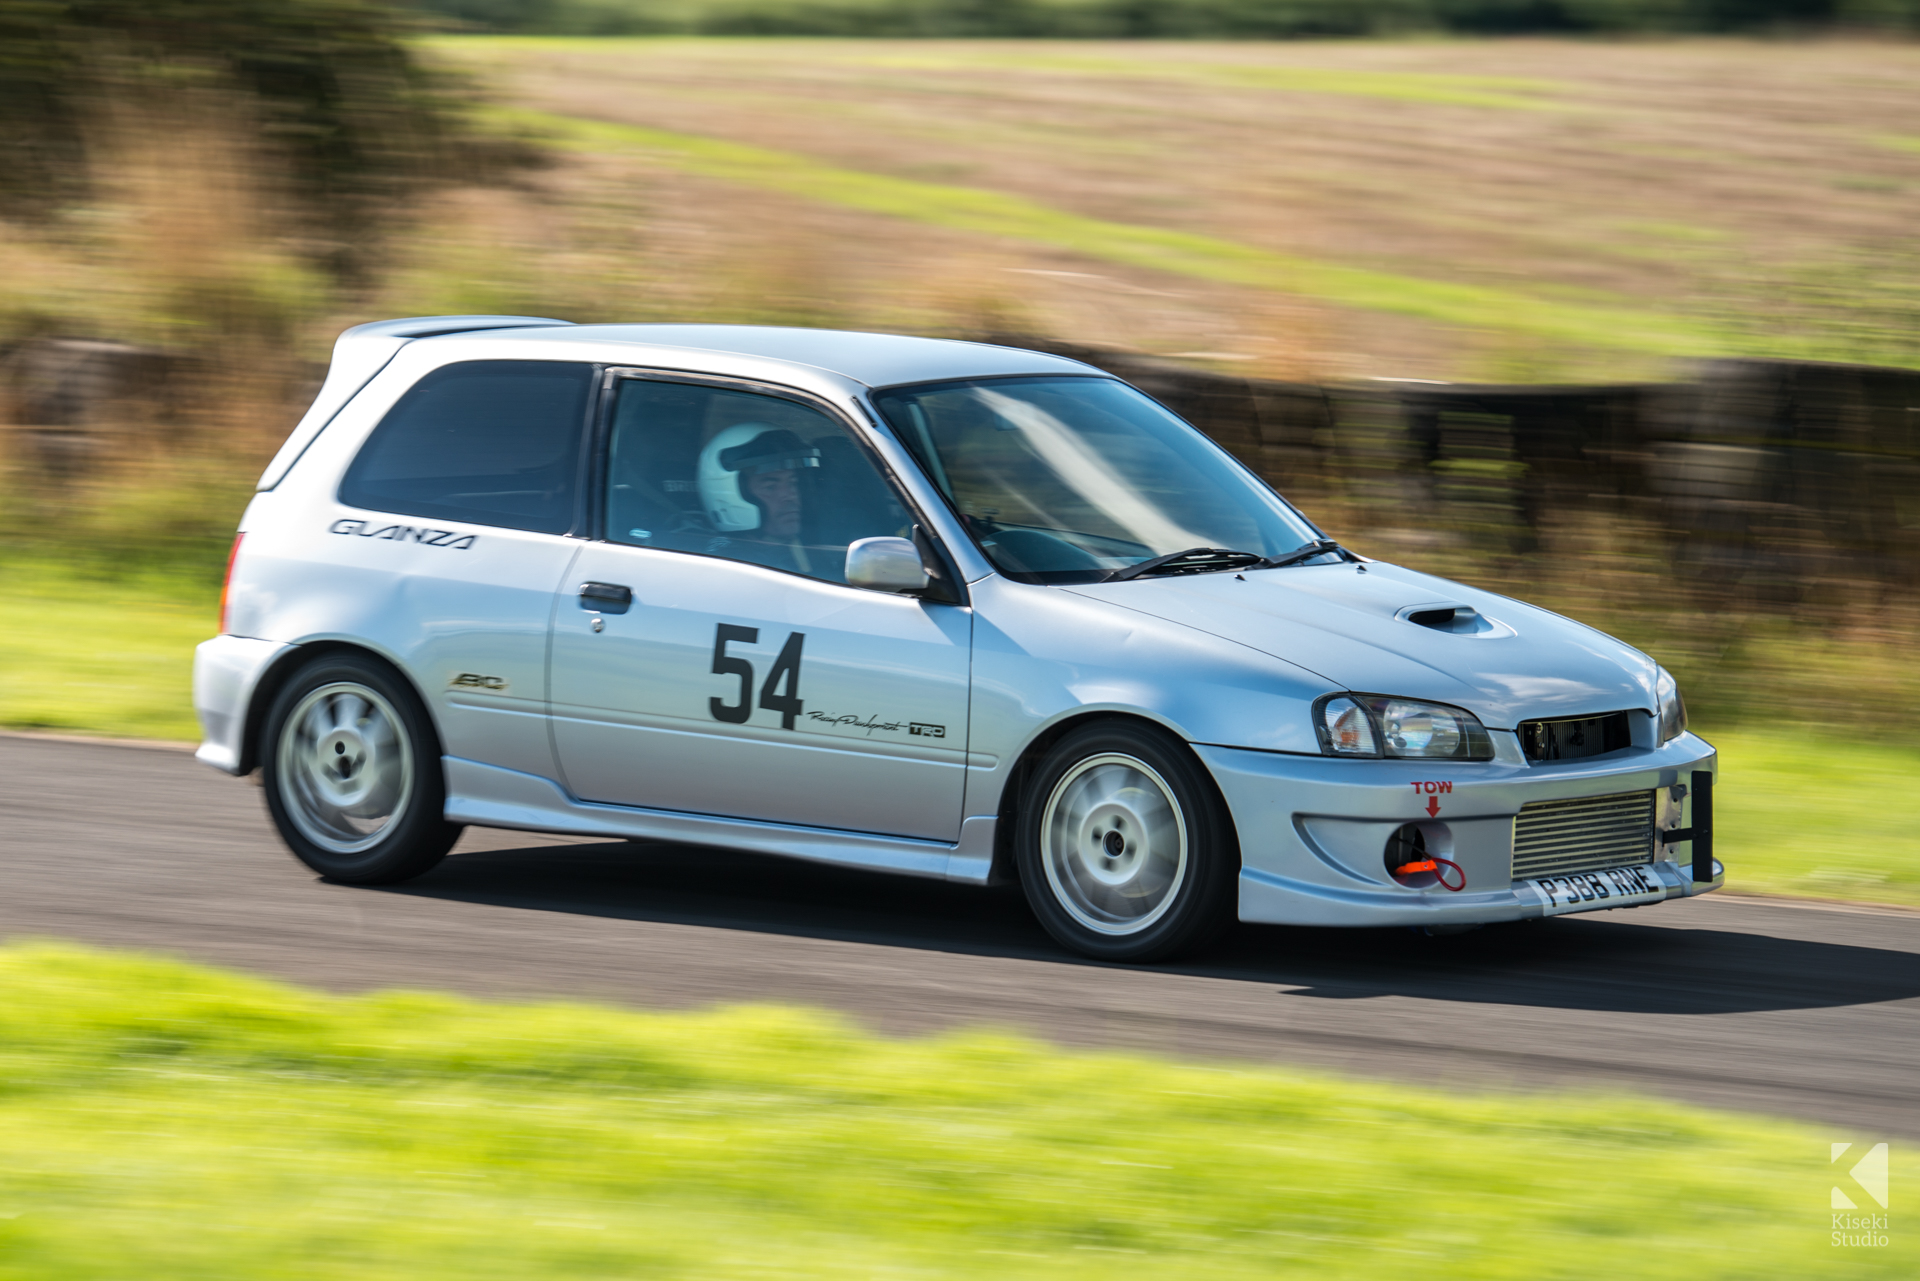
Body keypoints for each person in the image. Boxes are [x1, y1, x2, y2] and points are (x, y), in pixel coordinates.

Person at [695, 424, 821, 573]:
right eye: (770, 487)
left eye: (792, 483)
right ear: (731, 494)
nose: (790, 495)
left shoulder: (813, 549)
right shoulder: (727, 569)